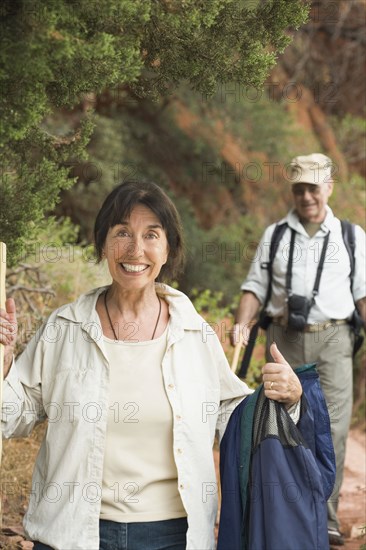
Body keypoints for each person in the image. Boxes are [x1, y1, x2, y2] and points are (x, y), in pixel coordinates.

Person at [0, 180, 302, 550]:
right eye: (122, 232)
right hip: (73, 533)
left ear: (168, 248)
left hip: (172, 535)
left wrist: (288, 399)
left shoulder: (193, 333)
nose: (135, 249)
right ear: (102, 243)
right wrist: (3, 363)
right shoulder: (64, 328)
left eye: (151, 235)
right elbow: (11, 417)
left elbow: (233, 417)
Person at [232, 153, 366, 547]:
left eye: (313, 187)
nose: (306, 196)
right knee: (281, 427)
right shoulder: (275, 235)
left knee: (333, 429)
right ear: (292, 190)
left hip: (334, 340)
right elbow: (254, 287)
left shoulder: (351, 236)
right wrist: (242, 322)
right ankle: (282, 514)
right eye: (299, 188)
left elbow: (362, 295)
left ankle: (323, 517)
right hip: (284, 342)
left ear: (329, 187)